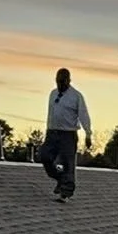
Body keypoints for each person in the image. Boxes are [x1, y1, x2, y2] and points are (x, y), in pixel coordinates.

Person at [41, 68, 92, 202]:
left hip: (68, 134)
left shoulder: (76, 96)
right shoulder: (53, 94)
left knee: (67, 163)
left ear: (69, 80)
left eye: (63, 81)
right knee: (44, 156)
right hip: (52, 132)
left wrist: (88, 134)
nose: (60, 84)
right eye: (58, 81)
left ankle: (66, 193)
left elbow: (83, 115)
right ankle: (60, 179)